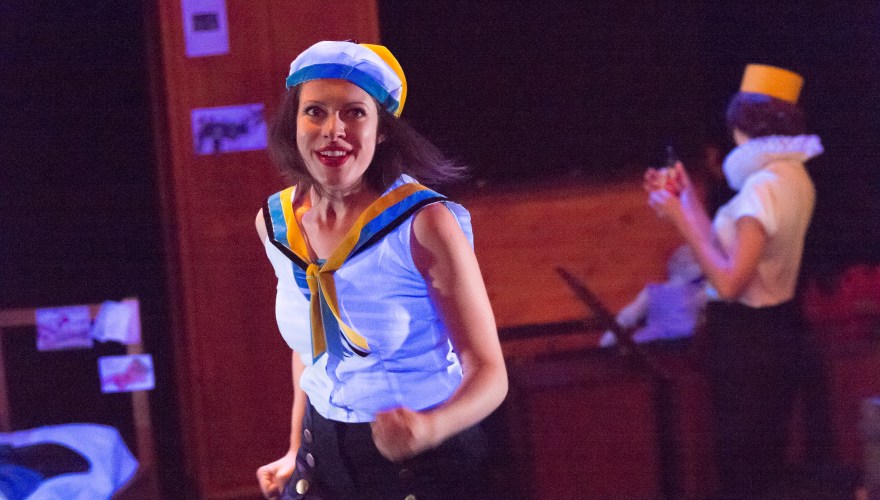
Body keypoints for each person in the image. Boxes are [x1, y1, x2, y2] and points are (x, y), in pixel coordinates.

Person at [253, 40, 508, 500]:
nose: (333, 130)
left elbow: (490, 373)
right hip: (321, 453)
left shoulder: (424, 224)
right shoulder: (276, 224)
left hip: (422, 464)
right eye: (315, 112)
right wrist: (294, 450)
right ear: (295, 123)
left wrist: (428, 429)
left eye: (354, 113)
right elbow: (311, 348)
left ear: (382, 129)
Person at [645, 64, 824, 498]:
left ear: (743, 125)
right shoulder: (793, 178)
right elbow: (728, 256)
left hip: (747, 343)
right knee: (762, 468)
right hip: (775, 335)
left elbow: (728, 283)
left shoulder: (762, 188)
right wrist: (686, 202)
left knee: (744, 476)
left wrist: (679, 220)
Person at [599, 244, 706, 347]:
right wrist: (607, 343)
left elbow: (627, 317)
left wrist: (607, 343)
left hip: (682, 345)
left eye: (694, 260)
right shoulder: (654, 291)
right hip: (656, 345)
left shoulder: (700, 293)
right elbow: (627, 316)